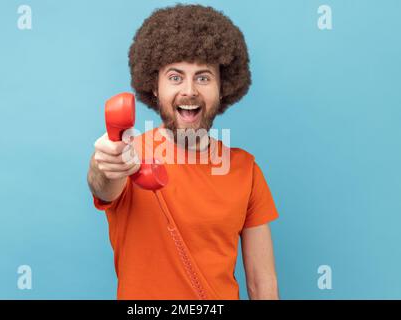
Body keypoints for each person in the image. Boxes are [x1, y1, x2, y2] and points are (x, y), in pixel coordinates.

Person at [87, 4, 279, 300]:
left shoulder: (246, 170)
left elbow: (261, 283)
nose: (189, 90)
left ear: (222, 87)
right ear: (154, 86)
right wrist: (106, 164)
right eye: (175, 77)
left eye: (203, 77)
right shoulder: (130, 153)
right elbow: (104, 185)